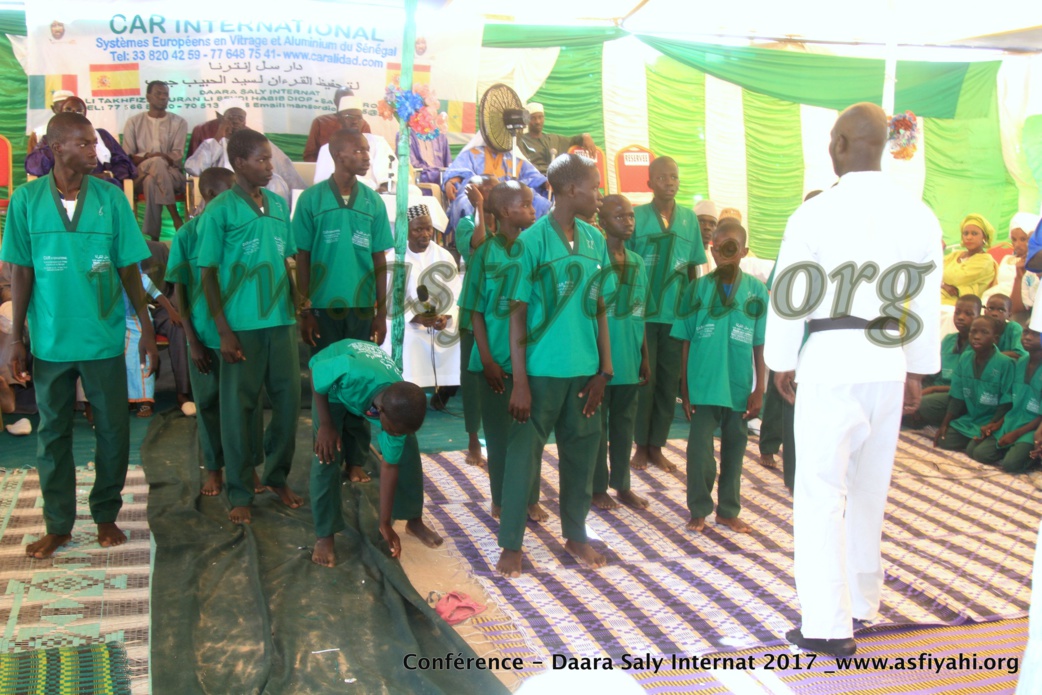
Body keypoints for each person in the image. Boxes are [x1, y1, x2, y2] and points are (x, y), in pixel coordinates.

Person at [765, 103, 942, 657]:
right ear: (883, 146)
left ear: (840, 144)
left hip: (832, 359)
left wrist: (780, 358)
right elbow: (927, 301)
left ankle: (825, 625)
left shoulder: (814, 214)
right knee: (869, 490)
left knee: (820, 493)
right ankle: (865, 602)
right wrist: (917, 369)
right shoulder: (919, 213)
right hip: (888, 359)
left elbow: (789, 298)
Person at [0, 112, 158, 558]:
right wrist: (18, 340)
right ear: (57, 149)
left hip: (103, 340)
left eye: (95, 143)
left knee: (113, 429)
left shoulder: (111, 199)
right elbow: (22, 272)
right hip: (50, 341)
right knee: (52, 434)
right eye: (86, 144)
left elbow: (130, 268)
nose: (96, 151)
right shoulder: (26, 201)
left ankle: (105, 514)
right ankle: (59, 524)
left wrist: (146, 329)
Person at [497, 153, 615, 578]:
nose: (599, 195)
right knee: (522, 457)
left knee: (581, 455)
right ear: (570, 190)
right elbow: (516, 316)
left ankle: (576, 533)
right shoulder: (530, 243)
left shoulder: (595, 240)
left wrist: (605, 370)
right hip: (541, 373)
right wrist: (520, 382)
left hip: (585, 373)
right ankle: (511, 543)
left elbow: (600, 306)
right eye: (594, 187)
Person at [197, 129, 302, 525]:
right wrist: (223, 330)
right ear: (239, 163)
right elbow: (207, 273)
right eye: (261, 160)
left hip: (281, 323)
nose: (269, 166)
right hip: (241, 327)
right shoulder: (220, 210)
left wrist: (299, 307)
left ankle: (276, 476)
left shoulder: (277, 205)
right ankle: (239, 490)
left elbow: (288, 262)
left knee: (289, 404)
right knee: (239, 411)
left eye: (269, 159)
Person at [294, 129, 391, 484]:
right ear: (338, 154)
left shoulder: (373, 203)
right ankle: (327, 452)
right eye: (360, 150)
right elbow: (301, 257)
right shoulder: (311, 201)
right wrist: (304, 309)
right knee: (328, 381)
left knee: (362, 382)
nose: (367, 156)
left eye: (368, 150)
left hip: (362, 310)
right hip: (323, 309)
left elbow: (380, 260)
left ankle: (356, 459)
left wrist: (381, 311)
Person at [166, 166, 256, 495]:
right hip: (205, 337)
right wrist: (193, 342)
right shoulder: (187, 235)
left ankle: (248, 468)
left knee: (246, 404)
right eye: (229, 192)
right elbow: (181, 292)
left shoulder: (241, 231)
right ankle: (215, 468)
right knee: (208, 404)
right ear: (209, 196)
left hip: (240, 333)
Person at [310, 339, 440, 566]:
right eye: (392, 430)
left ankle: (413, 519)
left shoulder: (399, 401)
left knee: (407, 450)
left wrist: (385, 523)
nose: (394, 435)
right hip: (330, 387)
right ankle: (325, 534)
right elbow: (316, 374)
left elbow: (390, 465)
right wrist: (326, 424)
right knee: (326, 455)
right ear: (379, 412)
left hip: (370, 391)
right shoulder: (351, 372)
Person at [673, 220, 767, 533]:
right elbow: (685, 341)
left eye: (732, 247)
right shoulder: (696, 289)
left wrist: (759, 389)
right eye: (718, 246)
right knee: (699, 451)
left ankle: (728, 510)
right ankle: (698, 509)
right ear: (711, 250)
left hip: (739, 386)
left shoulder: (756, 292)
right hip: (703, 383)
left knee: (734, 449)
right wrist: (684, 390)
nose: (724, 253)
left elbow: (760, 343)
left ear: (743, 251)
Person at [458, 181, 536, 516]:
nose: (534, 211)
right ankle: (501, 500)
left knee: (529, 436)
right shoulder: (485, 253)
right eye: (527, 205)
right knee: (499, 437)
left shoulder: (534, 249)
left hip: (531, 363)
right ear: (506, 211)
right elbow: (474, 309)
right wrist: (486, 358)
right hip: (493, 365)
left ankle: (529, 499)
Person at [627, 156, 706, 473]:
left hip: (675, 315)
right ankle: (640, 447)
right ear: (649, 183)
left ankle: (656, 446)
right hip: (642, 314)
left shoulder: (689, 220)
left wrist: (693, 311)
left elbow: (692, 269)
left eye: (674, 177)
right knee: (644, 380)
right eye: (662, 178)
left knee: (667, 383)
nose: (670, 183)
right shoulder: (636, 217)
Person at [590, 195, 650, 511]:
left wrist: (645, 357)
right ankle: (597, 487)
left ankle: (622, 484)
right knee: (596, 426)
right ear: (602, 223)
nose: (628, 222)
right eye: (619, 216)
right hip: (600, 361)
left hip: (629, 358)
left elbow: (640, 314)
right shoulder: (593, 262)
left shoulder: (639, 263)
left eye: (630, 216)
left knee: (624, 425)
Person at [390, 205, 461, 395]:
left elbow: (455, 293)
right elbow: (392, 300)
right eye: (418, 229)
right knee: (406, 338)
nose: (426, 234)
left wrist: (445, 316)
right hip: (410, 322)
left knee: (458, 335)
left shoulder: (443, 255)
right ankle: (410, 393)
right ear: (406, 231)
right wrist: (416, 318)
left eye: (428, 228)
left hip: (440, 321)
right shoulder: (395, 257)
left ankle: (447, 390)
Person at [453, 179, 498, 467]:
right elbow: (478, 246)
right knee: (472, 382)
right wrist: (480, 207)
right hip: (473, 314)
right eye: (486, 192)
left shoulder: (508, 227)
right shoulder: (467, 224)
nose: (490, 195)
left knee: (498, 378)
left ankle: (496, 438)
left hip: (499, 314)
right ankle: (473, 441)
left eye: (493, 191)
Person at [185, 108, 305, 203]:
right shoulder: (214, 143)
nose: (235, 121)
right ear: (222, 121)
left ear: (245, 122)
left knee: (275, 183)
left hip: (257, 193)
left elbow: (288, 173)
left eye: (240, 118)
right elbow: (194, 168)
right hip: (222, 195)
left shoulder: (260, 143)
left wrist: (303, 198)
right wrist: (219, 136)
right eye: (231, 118)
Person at [934, 315, 1015, 452]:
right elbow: (957, 394)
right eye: (973, 331)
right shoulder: (965, 357)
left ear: (995, 338)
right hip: (972, 419)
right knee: (945, 441)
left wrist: (992, 424)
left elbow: (1006, 402)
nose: (977, 337)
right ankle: (972, 438)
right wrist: (944, 424)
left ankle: (983, 441)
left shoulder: (1005, 363)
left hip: (993, 419)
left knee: (976, 451)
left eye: (984, 332)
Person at [967, 325, 1042, 473]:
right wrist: (997, 424)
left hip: (1033, 428)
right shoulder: (1020, 363)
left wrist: (1016, 434)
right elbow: (1013, 403)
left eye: (1035, 334)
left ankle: (1026, 455)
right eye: (1026, 332)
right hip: (1012, 421)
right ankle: (1011, 448)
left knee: (1011, 465)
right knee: (975, 451)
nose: (1027, 337)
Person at [123, 81, 188, 240]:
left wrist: (158, 157)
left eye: (165, 94)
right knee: (156, 163)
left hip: (172, 175)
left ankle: (154, 239)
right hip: (140, 173)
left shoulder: (179, 122)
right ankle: (175, 216)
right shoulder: (134, 122)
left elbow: (177, 157)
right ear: (148, 97)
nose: (163, 97)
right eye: (158, 94)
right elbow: (128, 156)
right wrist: (148, 157)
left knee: (152, 181)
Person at [26, 97, 136, 188]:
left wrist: (108, 174)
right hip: (63, 186)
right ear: (60, 114)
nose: (74, 113)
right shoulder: (50, 138)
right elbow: (33, 166)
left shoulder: (101, 135)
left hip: (100, 183)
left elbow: (125, 164)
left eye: (79, 111)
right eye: (68, 110)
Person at [909, 294, 980, 428]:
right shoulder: (949, 339)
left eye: (968, 314)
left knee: (921, 404)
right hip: (933, 389)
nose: (960, 317)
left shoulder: (979, 347)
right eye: (957, 312)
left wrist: (931, 390)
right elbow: (931, 374)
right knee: (903, 395)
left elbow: (967, 387)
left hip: (953, 395)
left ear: (979, 316)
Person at [313, 95, 395, 192]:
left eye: (359, 118)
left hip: (374, 194)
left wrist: (381, 190)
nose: (355, 121)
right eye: (349, 117)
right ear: (339, 119)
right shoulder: (327, 148)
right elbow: (323, 181)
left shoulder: (377, 142)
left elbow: (389, 174)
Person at [442, 137, 548, 202]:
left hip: (512, 198)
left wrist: (544, 183)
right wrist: (451, 182)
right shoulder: (472, 153)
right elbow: (459, 170)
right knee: (464, 202)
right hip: (479, 196)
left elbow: (534, 176)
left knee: (539, 202)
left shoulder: (515, 157)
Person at [982, 213, 1041, 314]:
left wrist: (1019, 277)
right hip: (993, 299)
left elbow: (1018, 310)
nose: (1017, 245)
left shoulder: (1034, 267)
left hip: (1010, 309)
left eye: (1023, 239)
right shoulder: (1007, 259)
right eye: (1014, 239)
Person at [517, 103, 595, 175]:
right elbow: (524, 166)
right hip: (534, 182)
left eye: (540, 117)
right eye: (533, 118)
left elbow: (573, 140)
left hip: (555, 181)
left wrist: (585, 136)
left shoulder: (553, 139)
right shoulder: (521, 141)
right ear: (527, 120)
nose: (538, 121)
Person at [941, 214, 998, 306]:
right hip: (939, 298)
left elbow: (957, 278)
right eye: (965, 233)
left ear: (984, 237)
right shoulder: (955, 255)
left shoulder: (985, 260)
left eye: (974, 233)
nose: (969, 237)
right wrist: (943, 284)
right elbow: (932, 271)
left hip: (960, 306)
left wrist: (940, 279)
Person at [303, 88, 372, 162]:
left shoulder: (363, 125)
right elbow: (310, 155)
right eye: (343, 100)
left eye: (349, 99)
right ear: (335, 101)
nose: (355, 121)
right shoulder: (320, 122)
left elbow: (368, 154)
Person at [27, 88, 75, 153]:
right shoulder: (38, 134)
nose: (64, 113)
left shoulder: (87, 133)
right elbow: (32, 161)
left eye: (68, 109)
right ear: (53, 109)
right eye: (61, 109)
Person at [985, 293, 1028, 358]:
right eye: (991, 309)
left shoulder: (1014, 328)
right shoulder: (981, 327)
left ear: (1009, 315)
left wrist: (991, 356)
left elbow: (1020, 353)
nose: (994, 313)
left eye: (1001, 310)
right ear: (985, 312)